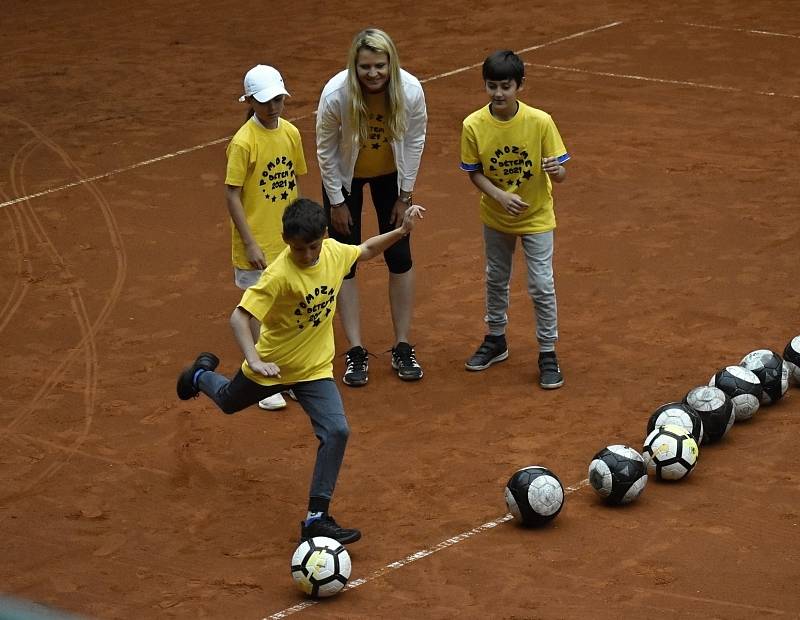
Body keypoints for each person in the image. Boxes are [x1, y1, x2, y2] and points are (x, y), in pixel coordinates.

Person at [176, 198, 425, 544]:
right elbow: (239, 317)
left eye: (312, 247)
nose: (306, 256)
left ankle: (316, 518)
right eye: (298, 249)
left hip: (314, 370)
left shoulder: (335, 252)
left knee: (336, 430)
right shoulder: (279, 274)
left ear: (323, 237)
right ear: (285, 240)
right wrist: (255, 360)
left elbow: (366, 249)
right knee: (229, 402)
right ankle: (200, 376)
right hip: (273, 368)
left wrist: (401, 231)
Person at [316, 27, 427, 387]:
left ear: (390, 63)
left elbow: (414, 140)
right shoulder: (336, 95)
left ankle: (402, 344)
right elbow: (326, 150)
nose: (373, 73)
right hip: (345, 180)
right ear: (355, 66)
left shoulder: (409, 91)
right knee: (346, 260)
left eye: (380, 65)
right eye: (365, 66)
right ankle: (356, 350)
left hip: (390, 178)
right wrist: (336, 200)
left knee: (400, 257)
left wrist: (405, 194)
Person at [459, 50, 570, 389]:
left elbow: (561, 173)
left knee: (541, 285)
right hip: (496, 216)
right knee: (496, 277)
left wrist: (557, 169)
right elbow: (474, 173)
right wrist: (500, 196)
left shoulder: (540, 121)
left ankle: (548, 352)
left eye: (505, 86)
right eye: (492, 86)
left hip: (537, 217)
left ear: (520, 85)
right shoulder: (473, 125)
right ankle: (496, 339)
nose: (498, 93)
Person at [225, 64, 307, 411]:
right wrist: (250, 242)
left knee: (285, 306)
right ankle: (262, 380)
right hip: (257, 242)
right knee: (258, 310)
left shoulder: (290, 133)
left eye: (277, 99)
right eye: (265, 101)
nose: (273, 107)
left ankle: (283, 372)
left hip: (285, 239)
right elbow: (232, 195)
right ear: (251, 102)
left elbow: (294, 184)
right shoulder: (243, 142)